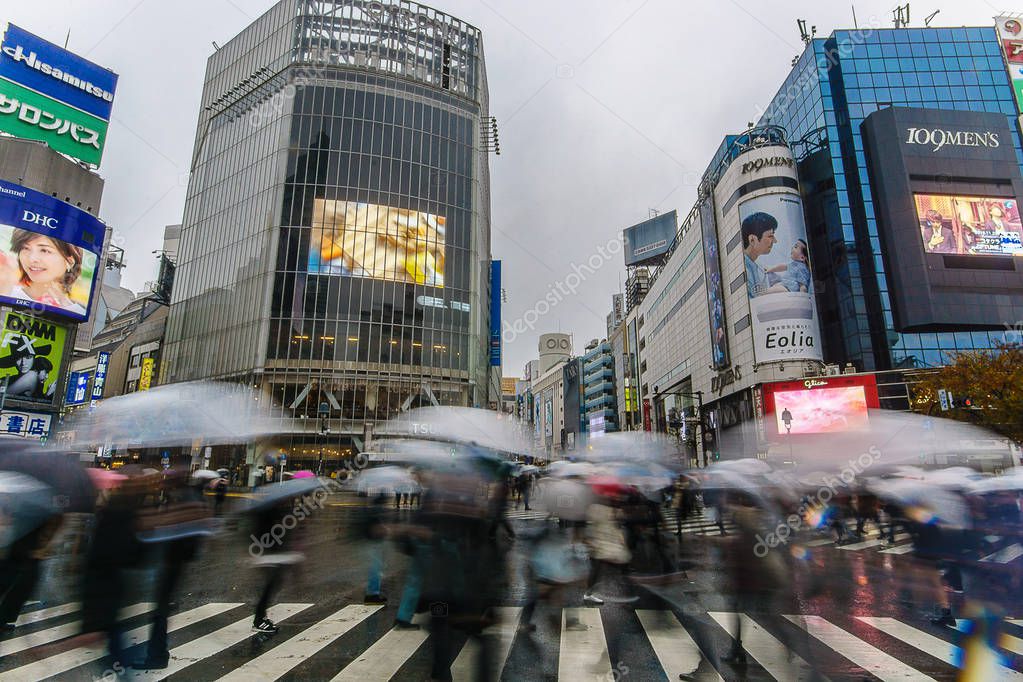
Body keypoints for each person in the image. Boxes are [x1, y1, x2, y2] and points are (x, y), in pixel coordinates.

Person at [0, 229, 86, 315]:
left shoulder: (79, 313)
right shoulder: (6, 294)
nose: (32, 259)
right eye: (25, 248)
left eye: (44, 250)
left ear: (70, 261)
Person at [742, 212, 780, 298]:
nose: (775, 241)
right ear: (752, 239)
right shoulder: (742, 269)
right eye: (770, 236)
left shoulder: (760, 267)